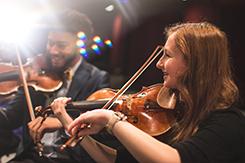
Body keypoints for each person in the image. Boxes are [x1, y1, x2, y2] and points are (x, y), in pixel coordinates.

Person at [50, 22, 245, 163]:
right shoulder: (176, 116)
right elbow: (113, 160)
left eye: (167, 55)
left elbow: (174, 160)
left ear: (195, 63)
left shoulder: (228, 122)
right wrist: (69, 123)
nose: (159, 63)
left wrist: (112, 120)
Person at [0, 9, 114, 163]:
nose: (53, 51)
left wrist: (61, 122)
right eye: (50, 43)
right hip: (33, 156)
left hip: (71, 158)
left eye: (61, 45)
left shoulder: (97, 78)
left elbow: (100, 126)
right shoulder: (36, 74)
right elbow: (10, 117)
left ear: (81, 43)